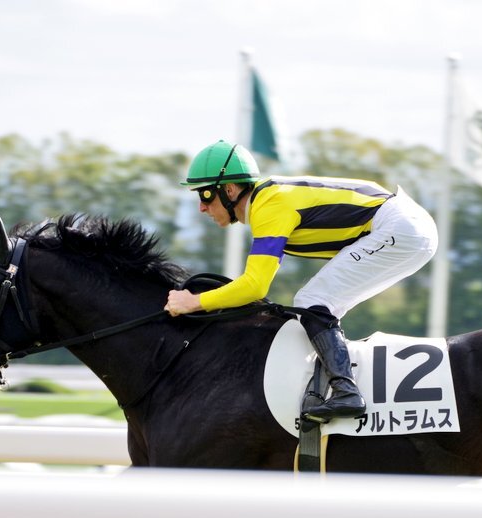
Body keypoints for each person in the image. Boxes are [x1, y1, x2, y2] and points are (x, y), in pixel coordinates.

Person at [165, 140, 438, 423]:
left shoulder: (268, 205)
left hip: (400, 227)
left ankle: (346, 391)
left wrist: (195, 302)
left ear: (230, 189)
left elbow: (255, 286)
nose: (201, 207)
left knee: (312, 301)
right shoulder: (269, 199)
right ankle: (336, 386)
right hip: (406, 225)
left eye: (205, 195)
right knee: (321, 305)